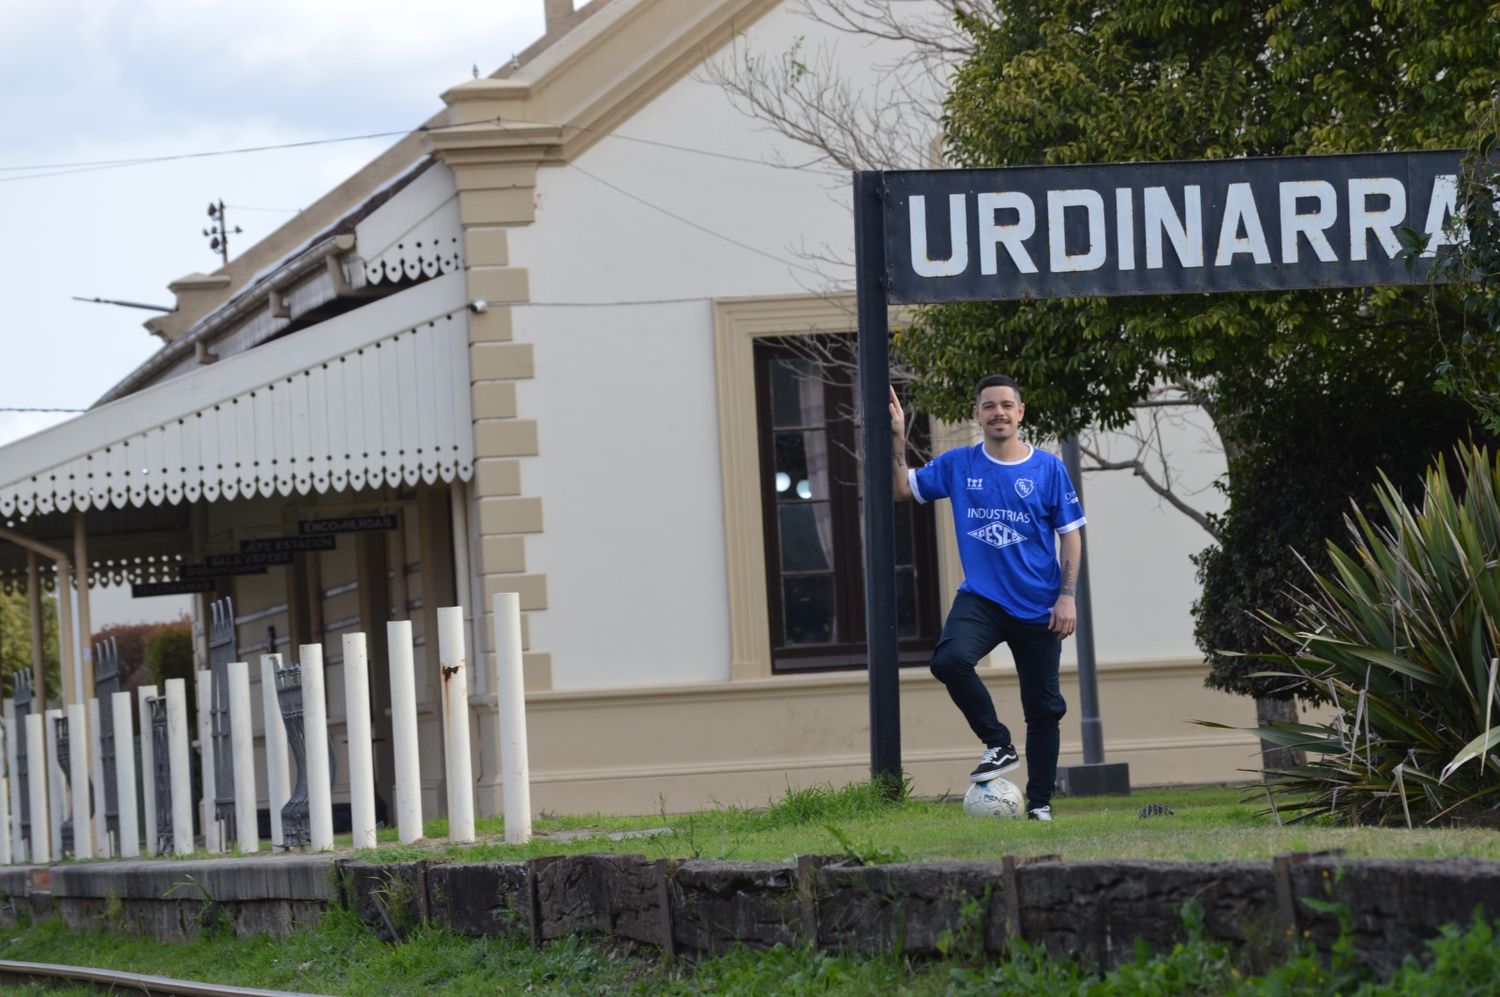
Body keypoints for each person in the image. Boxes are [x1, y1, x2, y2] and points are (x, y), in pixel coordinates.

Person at [890, 374, 1084, 822]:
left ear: (1020, 413)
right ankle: (997, 743)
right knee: (948, 660)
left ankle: (1039, 805)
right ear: (976, 414)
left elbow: (1071, 536)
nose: (998, 412)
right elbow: (903, 490)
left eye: (1006, 405)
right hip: (982, 598)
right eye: (989, 405)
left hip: (1040, 606)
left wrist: (1066, 597)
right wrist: (899, 439)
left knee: (1043, 708)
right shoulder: (959, 464)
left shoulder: (1048, 469)